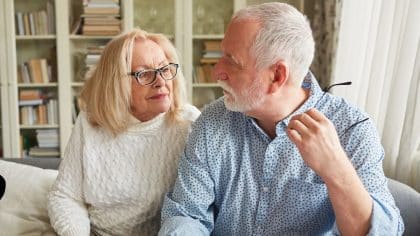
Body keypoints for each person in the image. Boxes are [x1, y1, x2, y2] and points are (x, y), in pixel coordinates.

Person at [159, 3, 404, 235]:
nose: (216, 71)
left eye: (232, 61)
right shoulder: (213, 121)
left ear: (277, 75)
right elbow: (186, 214)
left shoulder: (352, 129)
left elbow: (382, 232)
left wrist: (336, 170)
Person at [47, 29, 200, 236]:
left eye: (164, 69)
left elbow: (199, 209)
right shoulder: (90, 121)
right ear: (115, 83)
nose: (161, 82)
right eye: (144, 73)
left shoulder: (190, 123)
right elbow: (65, 195)